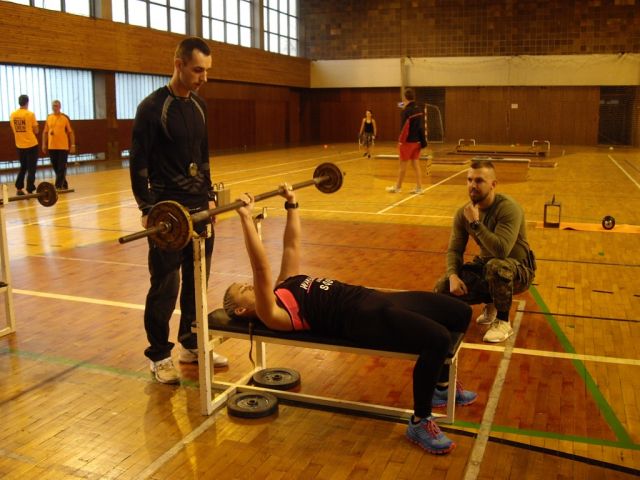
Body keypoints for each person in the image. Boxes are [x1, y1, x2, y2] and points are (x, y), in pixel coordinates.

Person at [222, 186, 477, 455]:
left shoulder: (283, 285)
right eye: (242, 290)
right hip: (363, 319)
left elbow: (291, 246)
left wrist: (292, 204)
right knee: (438, 338)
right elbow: (260, 268)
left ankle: (440, 387)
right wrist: (245, 218)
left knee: (460, 312)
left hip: (373, 297)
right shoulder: (272, 313)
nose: (247, 285)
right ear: (240, 310)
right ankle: (419, 421)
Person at [129, 36, 228, 385]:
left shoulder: (199, 106)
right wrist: (146, 207)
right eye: (198, 70)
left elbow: (203, 157)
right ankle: (159, 355)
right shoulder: (152, 108)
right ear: (179, 65)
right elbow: (138, 163)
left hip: (200, 210)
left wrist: (210, 197)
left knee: (198, 282)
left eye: (207, 71)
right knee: (165, 286)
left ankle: (191, 343)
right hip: (168, 214)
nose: (204, 77)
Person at [434, 159, 536, 343]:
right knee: (443, 287)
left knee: (496, 266)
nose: (473, 185)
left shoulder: (508, 208)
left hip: (519, 271)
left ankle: (503, 321)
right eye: (469, 180)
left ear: (493, 184)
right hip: (488, 266)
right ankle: (492, 303)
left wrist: (476, 223)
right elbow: (454, 250)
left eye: (479, 180)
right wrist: (453, 276)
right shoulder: (463, 213)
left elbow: (501, 251)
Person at [386, 88, 427, 195]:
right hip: (417, 142)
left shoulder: (406, 111)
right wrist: (423, 142)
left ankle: (398, 187)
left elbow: (405, 128)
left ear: (404, 97)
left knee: (402, 166)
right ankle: (419, 188)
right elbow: (421, 128)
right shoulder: (418, 109)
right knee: (416, 165)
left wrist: (401, 141)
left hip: (407, 143)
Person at [42, 99, 76, 190]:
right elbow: (45, 132)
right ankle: (64, 183)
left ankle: (57, 186)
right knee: (55, 166)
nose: (55, 107)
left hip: (63, 146)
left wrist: (73, 145)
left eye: (56, 106)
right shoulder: (49, 117)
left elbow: (70, 132)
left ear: (60, 107)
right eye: (53, 106)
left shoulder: (65, 118)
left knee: (61, 167)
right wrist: (44, 144)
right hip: (52, 146)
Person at [9, 94, 39, 196]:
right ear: (27, 102)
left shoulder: (13, 115)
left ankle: (19, 188)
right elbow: (36, 130)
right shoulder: (30, 114)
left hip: (19, 145)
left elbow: (13, 129)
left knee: (23, 167)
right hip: (31, 145)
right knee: (31, 168)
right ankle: (30, 189)